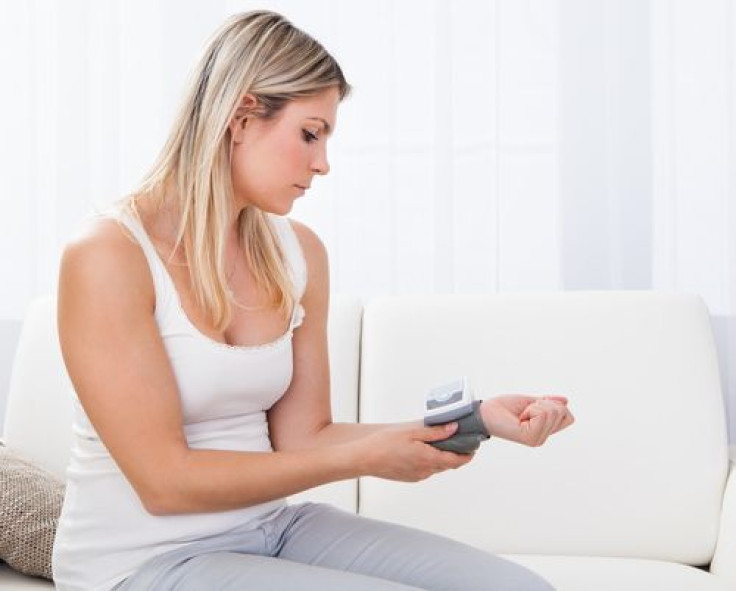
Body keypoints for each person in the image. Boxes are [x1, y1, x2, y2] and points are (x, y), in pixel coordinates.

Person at [52, 10, 575, 591]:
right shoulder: (109, 255)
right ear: (242, 116)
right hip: (141, 561)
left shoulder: (296, 253)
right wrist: (366, 458)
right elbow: (164, 483)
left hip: (272, 527)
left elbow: (306, 439)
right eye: (310, 133)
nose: (323, 163)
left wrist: (475, 421)